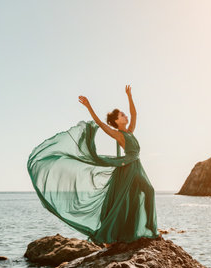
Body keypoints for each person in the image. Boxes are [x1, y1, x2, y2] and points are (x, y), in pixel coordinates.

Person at [27, 85, 160, 247]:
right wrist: (89, 106)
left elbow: (134, 113)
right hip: (129, 169)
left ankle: (144, 230)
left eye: (124, 114)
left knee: (135, 197)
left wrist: (129, 96)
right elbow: (100, 123)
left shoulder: (130, 131)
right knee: (144, 193)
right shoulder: (118, 134)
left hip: (136, 167)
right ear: (116, 121)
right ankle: (150, 230)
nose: (125, 115)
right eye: (122, 115)